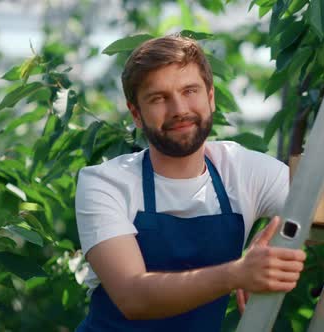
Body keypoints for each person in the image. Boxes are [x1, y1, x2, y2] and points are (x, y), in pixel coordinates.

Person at [74, 33, 306, 331]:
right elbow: (134, 297)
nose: (179, 110)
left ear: (210, 98)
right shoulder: (105, 183)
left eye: (189, 91)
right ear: (136, 114)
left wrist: (278, 236)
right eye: (159, 98)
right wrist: (238, 273)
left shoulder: (241, 170)